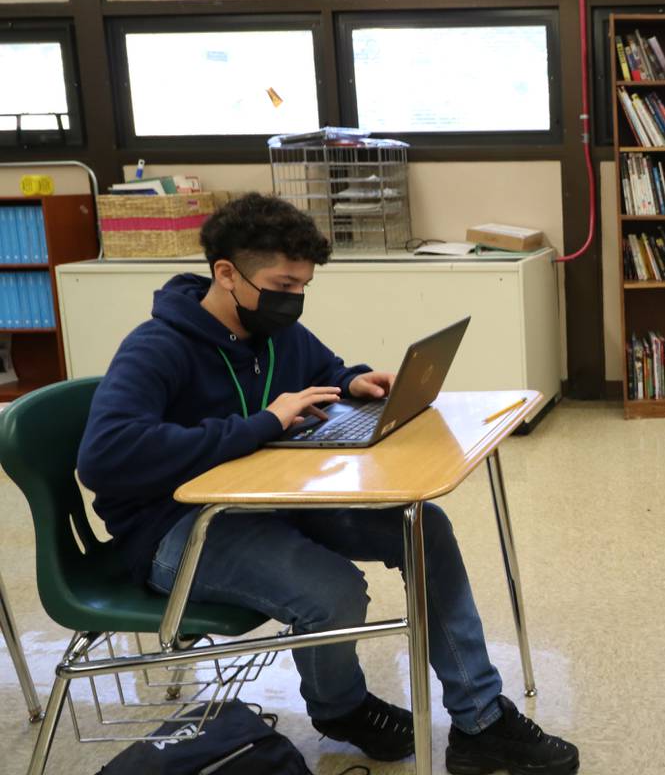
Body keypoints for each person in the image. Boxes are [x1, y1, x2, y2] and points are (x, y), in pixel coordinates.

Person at [77, 193, 579, 775]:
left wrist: (355, 381)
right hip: (175, 532)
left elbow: (323, 372)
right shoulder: (156, 347)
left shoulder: (273, 330)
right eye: (283, 285)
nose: (293, 300)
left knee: (423, 528)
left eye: (302, 287)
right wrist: (262, 424)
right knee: (332, 590)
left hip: (268, 500)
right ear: (225, 273)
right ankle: (341, 709)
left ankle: (481, 720)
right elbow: (106, 455)